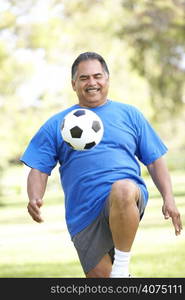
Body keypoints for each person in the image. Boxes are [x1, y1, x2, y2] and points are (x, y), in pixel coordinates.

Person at [20, 52, 182, 278]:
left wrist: (169, 198)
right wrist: (34, 196)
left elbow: (154, 161)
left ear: (107, 79)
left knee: (123, 189)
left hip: (127, 197)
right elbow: (39, 167)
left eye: (97, 76)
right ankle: (122, 277)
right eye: (84, 78)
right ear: (73, 84)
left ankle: (121, 268)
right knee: (103, 285)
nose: (92, 82)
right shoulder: (58, 124)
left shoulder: (130, 115)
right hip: (83, 212)